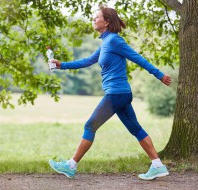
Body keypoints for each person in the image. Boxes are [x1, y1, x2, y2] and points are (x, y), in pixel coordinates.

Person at [48, 5, 172, 180]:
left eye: (97, 17)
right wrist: (61, 65)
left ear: (106, 22)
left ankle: (71, 166)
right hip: (120, 94)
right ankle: (158, 165)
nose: (94, 19)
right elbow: (87, 61)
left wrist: (159, 74)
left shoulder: (114, 40)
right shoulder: (105, 43)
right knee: (135, 129)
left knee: (90, 126)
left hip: (116, 94)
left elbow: (137, 57)